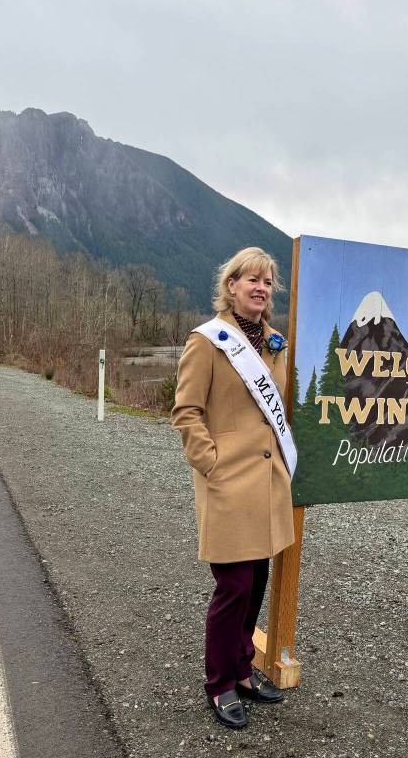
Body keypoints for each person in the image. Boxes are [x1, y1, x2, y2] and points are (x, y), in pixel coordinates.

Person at [172, 246, 296, 728]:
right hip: (228, 482)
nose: (261, 288)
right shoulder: (207, 340)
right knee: (233, 586)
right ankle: (220, 681)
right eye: (252, 280)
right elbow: (186, 411)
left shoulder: (273, 343)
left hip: (267, 482)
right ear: (231, 286)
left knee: (257, 582)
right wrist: (213, 466)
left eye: (267, 282)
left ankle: (244, 668)